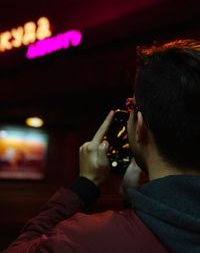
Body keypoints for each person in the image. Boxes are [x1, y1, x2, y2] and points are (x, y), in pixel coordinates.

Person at [3, 39, 200, 253]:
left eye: (131, 106)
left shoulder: (83, 239)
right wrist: (139, 203)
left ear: (140, 124)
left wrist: (84, 185)